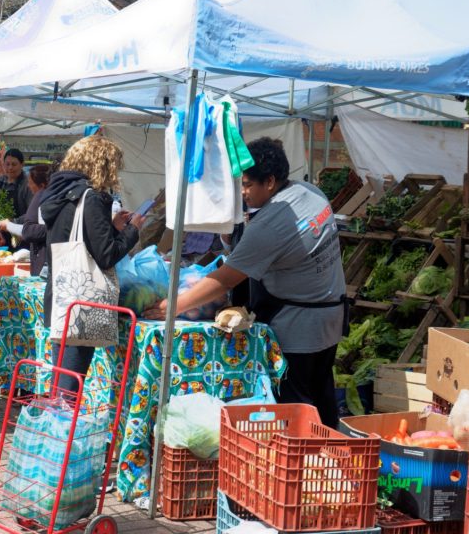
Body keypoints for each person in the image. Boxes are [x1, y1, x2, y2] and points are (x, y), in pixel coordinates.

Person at [143, 137, 346, 428]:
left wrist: (172, 306)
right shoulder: (310, 192)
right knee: (323, 399)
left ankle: (303, 467)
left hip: (299, 329)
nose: (243, 192)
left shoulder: (271, 224)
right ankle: (332, 462)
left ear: (271, 182)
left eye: (248, 184)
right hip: (331, 321)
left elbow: (226, 279)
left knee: (296, 409)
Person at [41, 135, 143, 393]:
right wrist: (132, 231)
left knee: (61, 380)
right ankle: (60, 430)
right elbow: (106, 255)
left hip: (61, 298)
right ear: (103, 164)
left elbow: (76, 239)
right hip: (81, 301)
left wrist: (111, 227)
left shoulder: (61, 194)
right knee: (69, 389)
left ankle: (57, 427)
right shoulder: (93, 197)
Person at [0, 163, 52, 276]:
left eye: (30, 183)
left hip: (44, 261)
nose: (28, 186)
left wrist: (9, 225)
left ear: (41, 185)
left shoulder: (41, 199)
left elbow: (32, 231)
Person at [0, 148, 32, 246]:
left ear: (22, 165)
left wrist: (12, 222)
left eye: (14, 164)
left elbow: (31, 213)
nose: (10, 167)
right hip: (1, 234)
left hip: (21, 233)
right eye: (7, 164)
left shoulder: (27, 184)